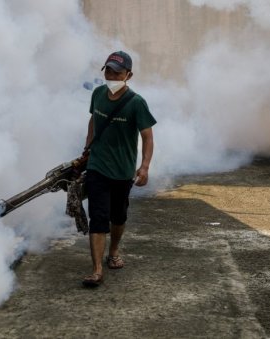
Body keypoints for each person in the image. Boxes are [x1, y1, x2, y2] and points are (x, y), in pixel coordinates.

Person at [82, 51, 156, 287]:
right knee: (98, 217)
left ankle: (113, 251)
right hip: (97, 166)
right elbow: (93, 120)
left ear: (129, 75)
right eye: (109, 71)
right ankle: (96, 270)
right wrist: (87, 148)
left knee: (118, 216)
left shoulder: (136, 103)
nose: (112, 76)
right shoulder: (98, 94)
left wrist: (144, 167)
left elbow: (147, 137)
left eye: (118, 72)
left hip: (123, 171)